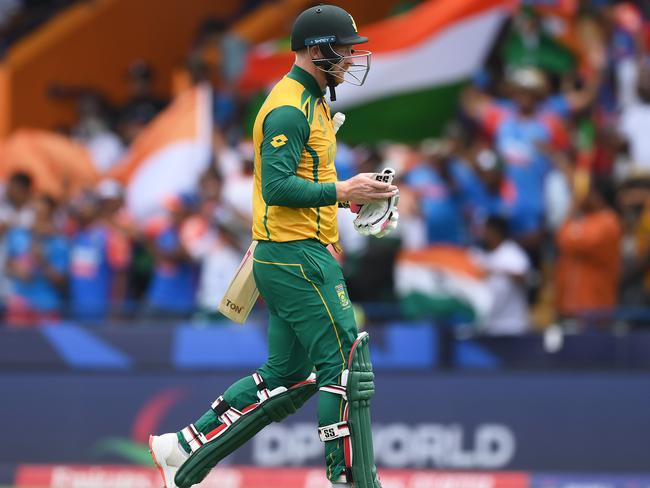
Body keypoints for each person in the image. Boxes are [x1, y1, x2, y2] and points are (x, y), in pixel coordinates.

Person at [149, 5, 397, 488]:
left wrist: (344, 202)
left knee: (287, 377)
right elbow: (280, 188)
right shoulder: (289, 107)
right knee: (346, 364)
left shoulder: (316, 103)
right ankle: (351, 479)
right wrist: (345, 191)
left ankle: (183, 448)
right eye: (342, 49)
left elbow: (300, 184)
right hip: (295, 257)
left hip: (294, 252)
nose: (350, 57)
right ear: (314, 50)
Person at [555, 178, 622, 318]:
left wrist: (571, 211)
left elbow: (570, 241)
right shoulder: (583, 219)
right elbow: (563, 238)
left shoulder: (608, 221)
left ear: (597, 195)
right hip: (571, 304)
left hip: (594, 304)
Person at [472, 215, 531, 335]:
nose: (482, 233)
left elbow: (525, 278)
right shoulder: (478, 255)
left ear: (495, 232)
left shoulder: (512, 253)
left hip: (511, 326)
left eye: (485, 230)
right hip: (487, 325)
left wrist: (498, 271)